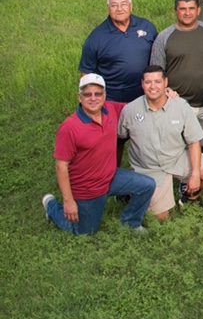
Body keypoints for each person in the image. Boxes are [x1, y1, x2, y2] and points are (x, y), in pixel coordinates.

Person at [42, 74, 155, 235]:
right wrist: (68, 201)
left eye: (98, 94)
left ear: (104, 96)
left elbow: (136, 107)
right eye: (88, 94)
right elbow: (61, 165)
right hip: (88, 189)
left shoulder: (110, 109)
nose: (93, 98)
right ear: (79, 97)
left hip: (111, 177)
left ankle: (130, 223)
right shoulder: (69, 128)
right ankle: (52, 206)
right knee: (83, 232)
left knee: (147, 185)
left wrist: (166, 94)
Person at [119, 66, 203, 222]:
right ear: (142, 84)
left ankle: (189, 197)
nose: (153, 86)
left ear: (165, 82)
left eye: (157, 81)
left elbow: (194, 141)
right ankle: (133, 191)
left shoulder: (180, 106)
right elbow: (119, 138)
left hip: (176, 158)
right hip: (150, 168)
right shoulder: (130, 110)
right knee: (161, 219)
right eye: (148, 82)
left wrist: (194, 174)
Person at [149, 0, 203, 163]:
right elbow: (157, 71)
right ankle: (184, 177)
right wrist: (164, 93)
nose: (187, 13)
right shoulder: (164, 37)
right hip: (178, 102)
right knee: (179, 144)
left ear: (198, 10)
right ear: (175, 11)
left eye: (191, 8)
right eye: (182, 9)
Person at [80, 0, 158, 107]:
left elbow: (159, 57)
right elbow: (86, 74)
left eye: (124, 4)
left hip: (145, 95)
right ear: (108, 8)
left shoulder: (147, 27)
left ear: (131, 6)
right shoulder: (96, 37)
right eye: (114, 5)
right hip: (112, 99)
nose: (119, 9)